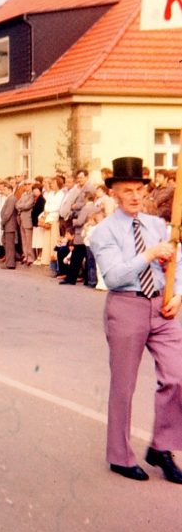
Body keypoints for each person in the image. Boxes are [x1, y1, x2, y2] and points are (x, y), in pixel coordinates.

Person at [89, 157, 182, 484]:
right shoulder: (103, 232)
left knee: (178, 375)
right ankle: (120, 456)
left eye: (139, 189)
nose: (134, 196)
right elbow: (113, 276)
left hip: (162, 306)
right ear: (113, 193)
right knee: (124, 386)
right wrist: (149, 255)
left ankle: (162, 446)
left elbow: (178, 259)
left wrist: (178, 294)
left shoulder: (157, 225)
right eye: (126, 190)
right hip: (126, 306)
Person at [0, 182, 18, 269]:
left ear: (10, 190)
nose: (3, 191)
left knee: (9, 245)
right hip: (8, 225)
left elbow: (8, 213)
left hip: (10, 225)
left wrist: (2, 222)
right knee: (6, 242)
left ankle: (10, 263)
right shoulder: (9, 198)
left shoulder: (11, 199)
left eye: (5, 190)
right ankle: (16, 256)